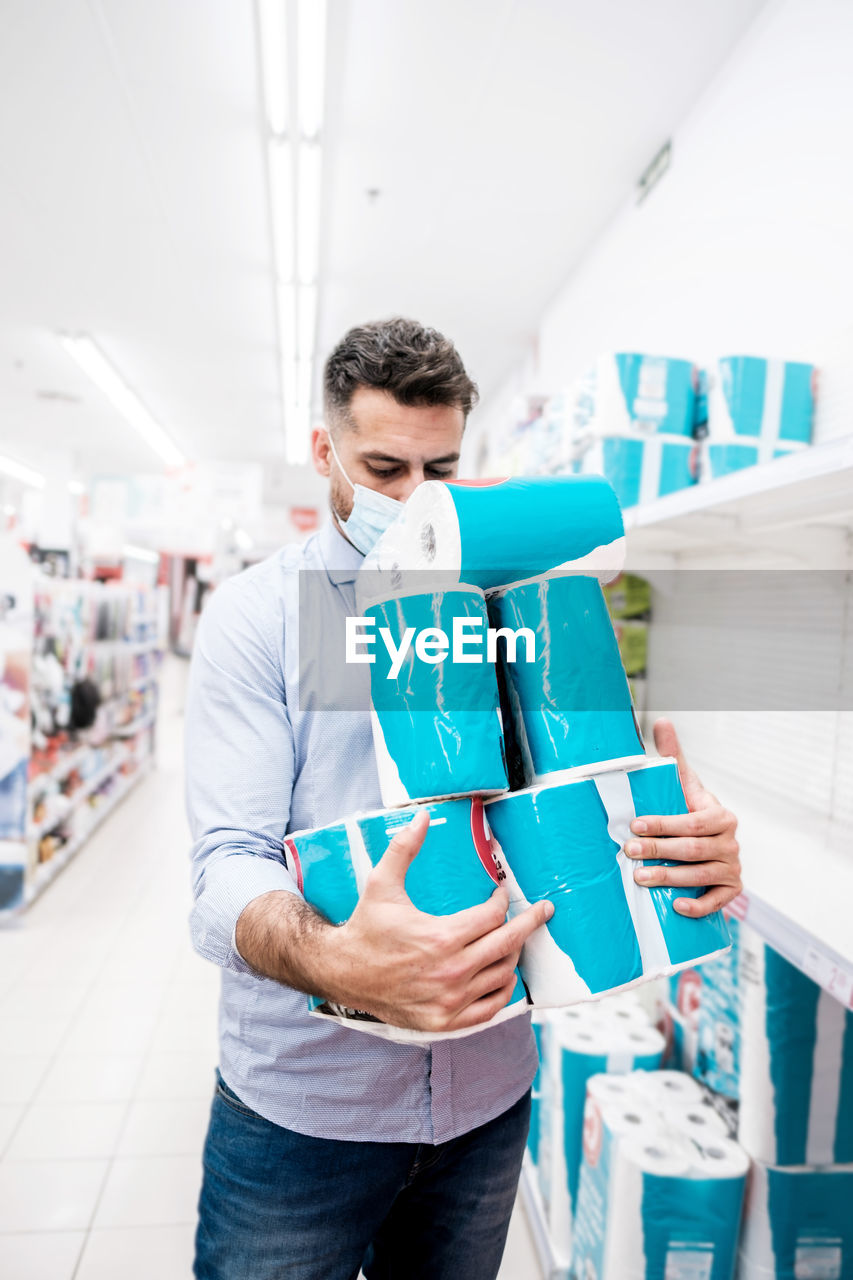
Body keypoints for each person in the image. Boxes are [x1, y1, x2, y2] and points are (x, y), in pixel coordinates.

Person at [185, 317, 742, 1280]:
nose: (410, 499)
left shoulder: (517, 604)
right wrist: (339, 960)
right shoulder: (258, 618)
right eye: (383, 467)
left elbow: (580, 805)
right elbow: (224, 862)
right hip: (305, 1110)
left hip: (485, 1100)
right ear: (325, 451)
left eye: (435, 471)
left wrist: (683, 849)